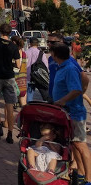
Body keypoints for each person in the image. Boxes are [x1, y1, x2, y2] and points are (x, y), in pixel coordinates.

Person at [52, 42, 91, 185]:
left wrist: (62, 100)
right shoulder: (65, 65)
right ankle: (80, 174)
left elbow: (76, 89)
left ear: (55, 55)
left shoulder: (69, 68)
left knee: (81, 145)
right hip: (66, 112)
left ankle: (89, 179)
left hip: (74, 112)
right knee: (74, 145)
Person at [0, 23, 21, 144]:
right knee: (10, 104)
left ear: (0, 31)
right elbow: (18, 64)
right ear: (10, 32)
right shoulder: (13, 46)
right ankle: (10, 134)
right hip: (9, 77)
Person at [24, 37, 49, 102]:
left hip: (28, 77)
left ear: (30, 44)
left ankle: (29, 109)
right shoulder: (41, 53)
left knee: (29, 95)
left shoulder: (25, 52)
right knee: (45, 95)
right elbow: (46, 66)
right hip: (39, 77)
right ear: (37, 44)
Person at [12, 35, 28, 107]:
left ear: (14, 42)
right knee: (23, 98)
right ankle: (25, 115)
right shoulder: (24, 53)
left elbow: (17, 65)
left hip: (14, 76)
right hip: (23, 77)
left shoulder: (14, 53)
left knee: (10, 99)